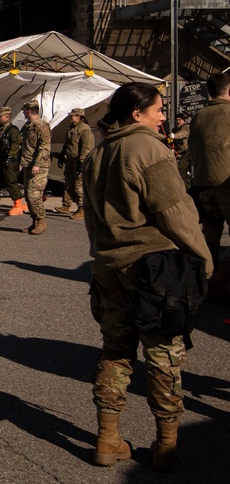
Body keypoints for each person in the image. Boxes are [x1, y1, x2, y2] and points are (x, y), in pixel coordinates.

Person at [83, 82, 212, 471]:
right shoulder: (147, 148)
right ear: (136, 113)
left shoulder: (98, 152)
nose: (163, 117)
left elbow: (91, 219)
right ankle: (166, 445)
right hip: (153, 268)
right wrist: (204, 260)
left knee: (116, 351)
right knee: (163, 356)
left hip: (109, 264)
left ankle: (107, 439)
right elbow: (176, 211)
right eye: (158, 109)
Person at [188, 72, 230, 303]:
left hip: (203, 184)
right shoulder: (228, 113)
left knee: (210, 236)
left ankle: (206, 278)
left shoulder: (199, 115)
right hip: (226, 184)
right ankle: (222, 279)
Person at [19, 100, 51, 235]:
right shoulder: (27, 126)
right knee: (27, 195)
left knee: (34, 195)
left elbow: (45, 147)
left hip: (39, 166)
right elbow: (24, 146)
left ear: (29, 111)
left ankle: (41, 221)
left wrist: (37, 164)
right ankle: (35, 222)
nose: (23, 113)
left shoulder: (41, 126)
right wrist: (19, 162)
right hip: (27, 165)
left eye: (25, 110)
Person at [57, 107, 95, 219]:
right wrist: (61, 155)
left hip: (79, 161)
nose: (71, 117)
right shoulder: (71, 128)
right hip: (70, 160)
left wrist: (82, 162)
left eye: (73, 115)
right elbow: (67, 144)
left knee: (79, 185)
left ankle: (82, 208)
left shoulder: (85, 129)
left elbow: (86, 147)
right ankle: (66, 205)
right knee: (68, 182)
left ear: (79, 116)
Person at [169, 111, 191, 191]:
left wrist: (174, 136)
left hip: (187, 153)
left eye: (180, 120)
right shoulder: (174, 130)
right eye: (177, 120)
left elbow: (183, 134)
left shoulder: (186, 127)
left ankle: (188, 189)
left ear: (183, 120)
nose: (178, 121)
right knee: (180, 171)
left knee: (184, 170)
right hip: (178, 154)